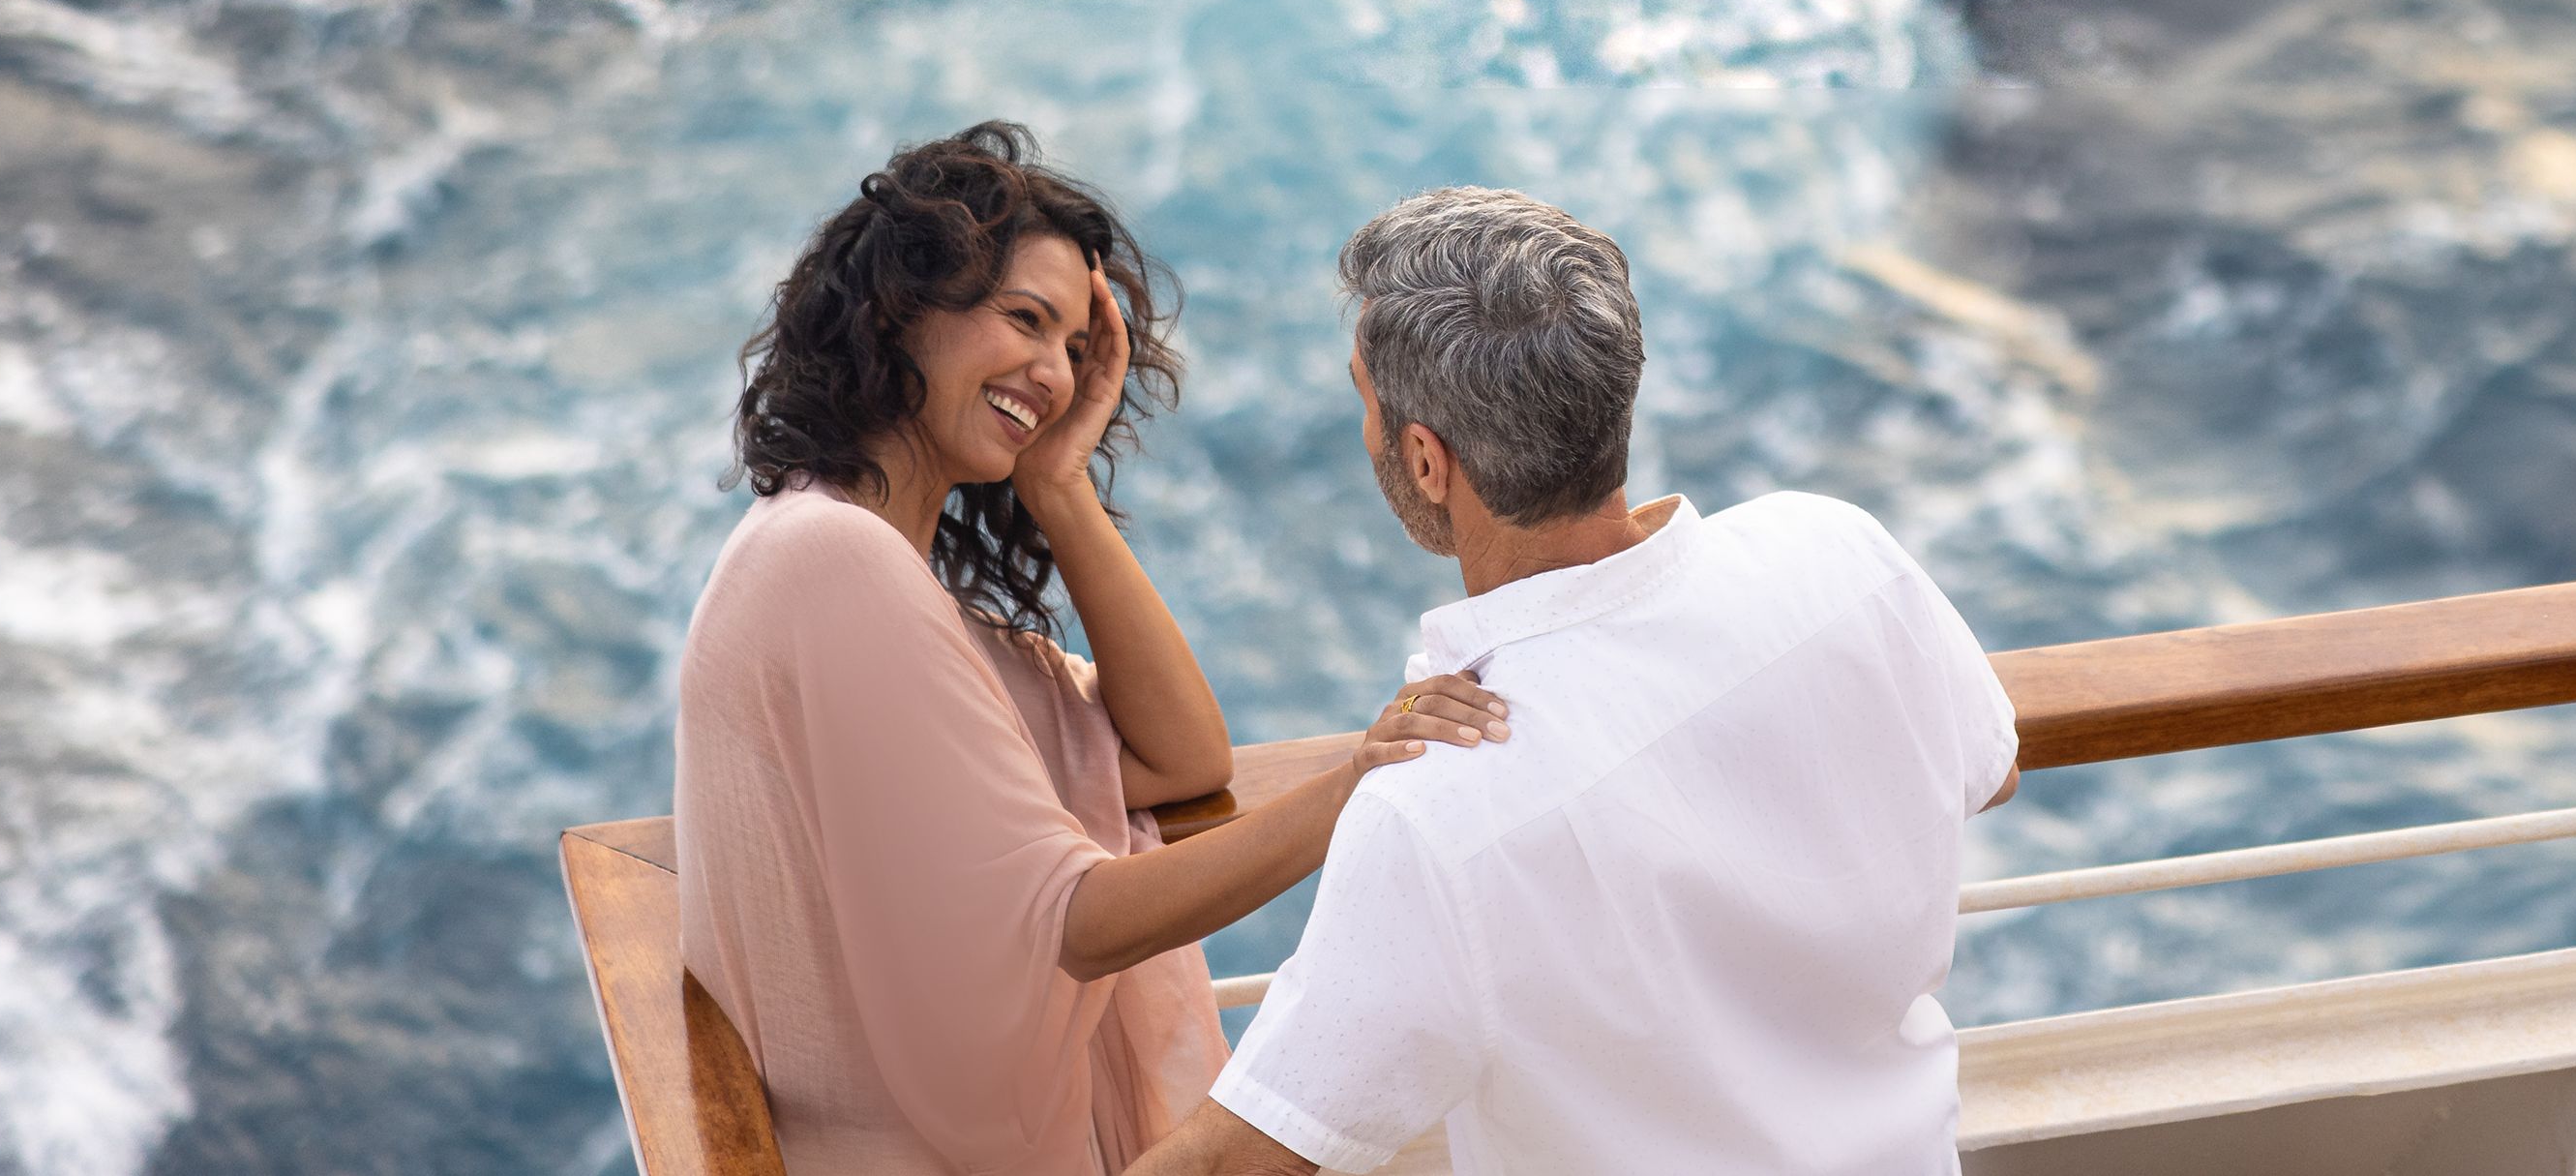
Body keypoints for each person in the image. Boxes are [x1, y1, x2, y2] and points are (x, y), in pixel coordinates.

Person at [1128, 188, 2022, 1176]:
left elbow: (1237, 1163)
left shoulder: (1443, 800)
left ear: (1426, 460)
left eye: (1365, 400)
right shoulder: (1838, 551)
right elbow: (1991, 770)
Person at [678, 122, 1513, 1176]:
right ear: (898, 309)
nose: (1051, 373)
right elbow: (1069, 921)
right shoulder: (834, 562)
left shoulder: (867, 572)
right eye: (1024, 319)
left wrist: (1058, 483)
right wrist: (1362, 776)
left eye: (1076, 349)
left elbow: (1180, 756)